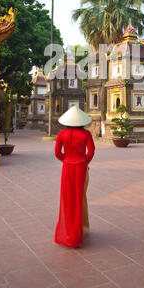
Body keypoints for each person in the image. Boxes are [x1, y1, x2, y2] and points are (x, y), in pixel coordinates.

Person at [54, 105, 95, 248]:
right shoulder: (86, 135)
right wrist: (84, 161)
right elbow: (91, 152)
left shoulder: (61, 135)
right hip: (81, 167)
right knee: (79, 197)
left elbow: (57, 153)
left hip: (67, 167)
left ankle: (68, 232)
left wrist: (67, 159)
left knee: (67, 198)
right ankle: (79, 231)